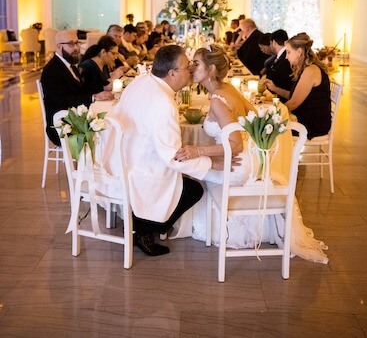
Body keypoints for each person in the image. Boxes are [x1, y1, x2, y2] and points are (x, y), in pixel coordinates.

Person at [174, 44, 328, 263]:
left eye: (196, 63)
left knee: (186, 168)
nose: (190, 67)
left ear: (210, 70)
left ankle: (173, 223)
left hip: (236, 166)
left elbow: (234, 145)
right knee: (198, 164)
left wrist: (198, 151)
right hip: (247, 162)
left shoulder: (218, 100)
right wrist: (231, 152)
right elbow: (254, 115)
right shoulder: (228, 88)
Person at [112, 45, 219, 257]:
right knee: (194, 189)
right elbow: (172, 157)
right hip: (142, 169)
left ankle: (142, 222)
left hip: (122, 159)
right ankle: (144, 230)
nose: (190, 70)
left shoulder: (142, 81)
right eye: (186, 67)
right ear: (171, 74)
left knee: (184, 178)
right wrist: (210, 163)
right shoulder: (163, 102)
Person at [41, 29, 113, 146]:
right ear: (59, 46)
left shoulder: (70, 66)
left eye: (77, 43)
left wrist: (103, 89)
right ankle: (92, 162)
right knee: (106, 128)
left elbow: (83, 88)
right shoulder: (52, 70)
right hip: (62, 125)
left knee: (108, 120)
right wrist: (93, 97)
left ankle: (97, 161)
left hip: (75, 118)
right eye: (71, 44)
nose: (76, 48)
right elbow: (61, 101)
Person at [265, 32, 331, 139]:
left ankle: (282, 155)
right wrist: (274, 88)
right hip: (306, 116)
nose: (286, 57)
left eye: (288, 52)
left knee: (268, 129)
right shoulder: (304, 69)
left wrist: (272, 115)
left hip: (313, 123)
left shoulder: (311, 71)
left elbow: (294, 103)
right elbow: (293, 95)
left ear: (299, 51)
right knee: (268, 126)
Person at [263, 29, 293, 100]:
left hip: (281, 98)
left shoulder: (286, 57)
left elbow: (284, 81)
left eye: (270, 43)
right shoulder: (281, 55)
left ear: (273, 42)